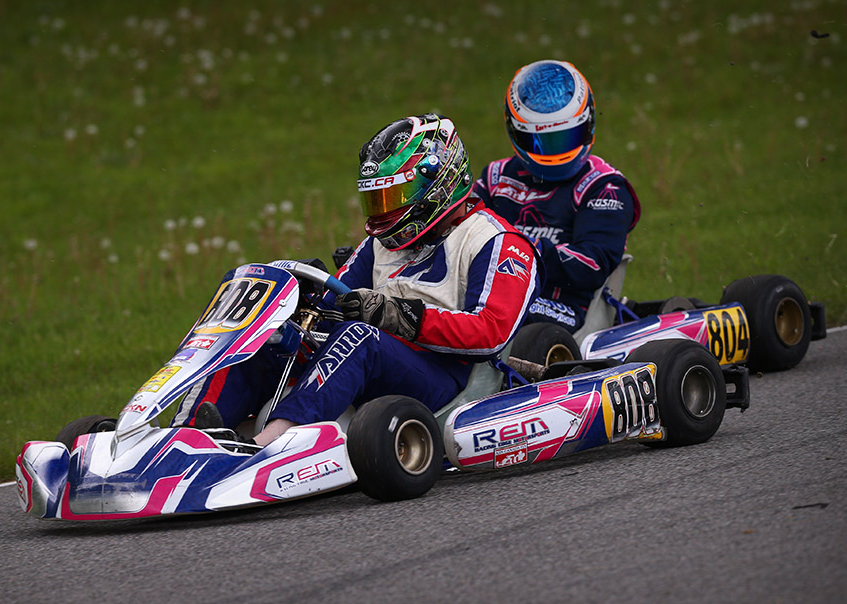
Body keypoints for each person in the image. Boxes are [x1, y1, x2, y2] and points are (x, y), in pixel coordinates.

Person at [175, 113, 542, 446]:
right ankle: (186, 437)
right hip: (375, 362)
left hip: (442, 377)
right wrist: (298, 302)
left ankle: (267, 445)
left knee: (360, 337)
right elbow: (335, 301)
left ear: (439, 184)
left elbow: (491, 333)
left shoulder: (497, 242)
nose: (384, 211)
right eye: (377, 200)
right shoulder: (381, 244)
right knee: (263, 339)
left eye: (395, 196)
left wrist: (400, 316)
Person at [473, 60, 640, 333]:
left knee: (505, 311)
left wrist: (522, 251)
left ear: (588, 123)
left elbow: (592, 264)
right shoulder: (496, 178)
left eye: (566, 138)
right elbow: (458, 232)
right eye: (541, 143)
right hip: (490, 293)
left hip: (564, 310)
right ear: (515, 131)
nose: (554, 154)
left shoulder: (604, 187)